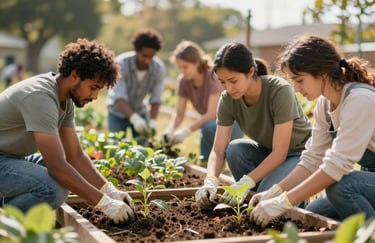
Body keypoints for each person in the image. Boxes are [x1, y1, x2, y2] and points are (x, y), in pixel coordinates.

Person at [0, 38, 135, 224]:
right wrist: (105, 204)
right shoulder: (40, 97)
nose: (95, 96)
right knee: (53, 189)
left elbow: (75, 156)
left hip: (10, 158)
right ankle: (5, 223)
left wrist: (110, 191)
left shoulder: (65, 100)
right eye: (93, 87)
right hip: (2, 159)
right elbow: (56, 166)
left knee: (68, 175)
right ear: (74, 75)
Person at [249, 34, 375, 227]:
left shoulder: (360, 100)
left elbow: (336, 166)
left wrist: (283, 202)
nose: (296, 89)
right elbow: (312, 159)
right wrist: (275, 192)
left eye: (299, 80)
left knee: (341, 187)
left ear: (322, 73)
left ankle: (369, 236)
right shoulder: (325, 105)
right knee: (314, 214)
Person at [195, 42, 312, 208]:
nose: (228, 88)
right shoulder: (228, 99)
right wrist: (210, 180)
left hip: (299, 156)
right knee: (235, 149)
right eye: (222, 82)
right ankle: (258, 197)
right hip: (268, 152)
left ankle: (296, 199)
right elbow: (218, 149)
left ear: (250, 72)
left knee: (266, 198)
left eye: (233, 81)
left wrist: (245, 182)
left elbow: (280, 153)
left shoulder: (279, 91)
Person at [162, 40, 243, 161]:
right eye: (180, 67)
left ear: (196, 62)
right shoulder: (184, 81)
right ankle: (208, 162)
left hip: (233, 123)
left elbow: (212, 114)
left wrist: (186, 131)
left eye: (185, 67)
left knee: (207, 127)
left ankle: (225, 156)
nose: (183, 71)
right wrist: (171, 129)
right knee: (205, 161)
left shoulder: (213, 76)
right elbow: (179, 113)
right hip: (210, 125)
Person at [106, 28, 166, 143]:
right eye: (144, 56)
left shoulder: (158, 68)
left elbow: (156, 98)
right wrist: (134, 118)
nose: (148, 61)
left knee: (142, 149)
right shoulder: (121, 64)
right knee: (115, 148)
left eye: (151, 57)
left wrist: (153, 121)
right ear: (135, 50)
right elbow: (119, 97)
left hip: (140, 111)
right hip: (117, 112)